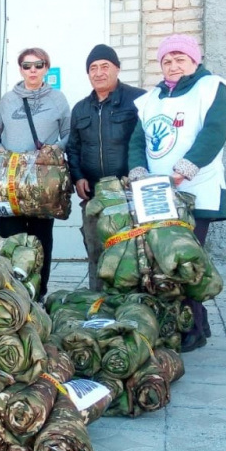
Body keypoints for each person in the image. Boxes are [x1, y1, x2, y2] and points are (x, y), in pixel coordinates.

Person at [128, 34, 226, 352]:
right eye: (167, 61)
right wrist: (138, 170)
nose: (173, 65)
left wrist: (187, 167)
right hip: (158, 193)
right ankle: (192, 321)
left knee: (185, 261)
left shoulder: (213, 88)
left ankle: (193, 328)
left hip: (196, 189)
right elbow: (138, 140)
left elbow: (214, 132)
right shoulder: (151, 98)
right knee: (162, 262)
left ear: (194, 61)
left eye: (180, 59)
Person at [66, 44, 146, 291]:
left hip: (129, 193)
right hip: (95, 195)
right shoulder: (80, 108)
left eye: (105, 66)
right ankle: (99, 301)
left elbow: (147, 142)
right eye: (93, 68)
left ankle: (133, 303)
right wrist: (78, 177)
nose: (99, 73)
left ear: (117, 69)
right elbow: (73, 147)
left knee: (132, 253)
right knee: (96, 252)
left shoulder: (139, 99)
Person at [0, 48, 71, 298]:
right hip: (11, 184)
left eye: (38, 65)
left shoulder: (58, 99)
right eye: (27, 66)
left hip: (42, 184)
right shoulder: (7, 100)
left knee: (41, 239)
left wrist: (54, 150)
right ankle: (13, 293)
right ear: (20, 69)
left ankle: (39, 293)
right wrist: (0, 151)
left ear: (46, 67)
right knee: (10, 239)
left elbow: (69, 133)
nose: (32, 70)